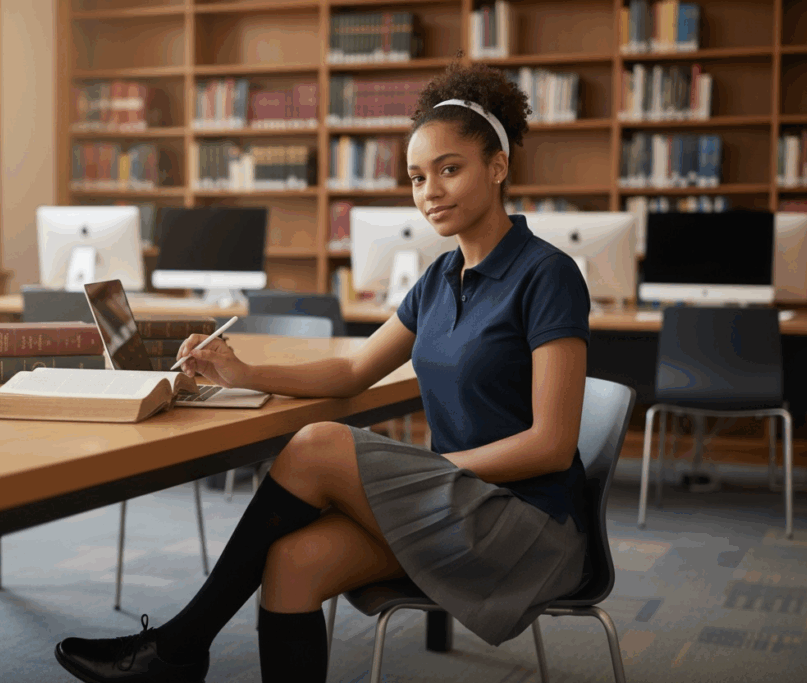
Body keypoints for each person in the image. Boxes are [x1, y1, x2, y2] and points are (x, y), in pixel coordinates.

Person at [54, 58, 591, 683]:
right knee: (292, 561)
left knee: (316, 445)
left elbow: (551, 447)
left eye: (450, 169)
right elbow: (353, 369)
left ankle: (177, 648)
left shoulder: (547, 275)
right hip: (451, 503)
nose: (430, 192)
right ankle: (177, 652)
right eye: (417, 178)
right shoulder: (440, 279)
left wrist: (423, 473)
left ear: (497, 167)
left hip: (526, 528)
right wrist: (243, 370)